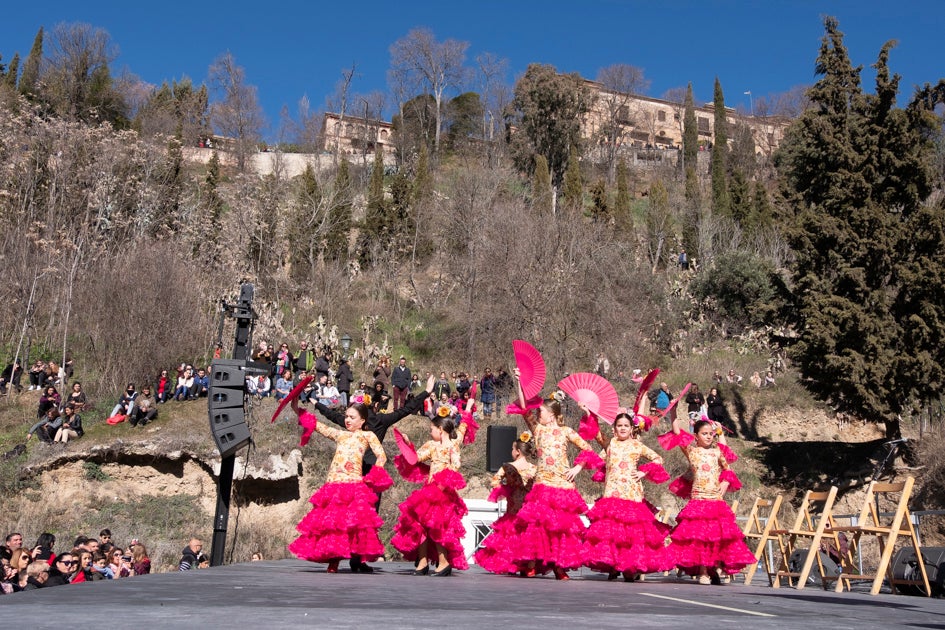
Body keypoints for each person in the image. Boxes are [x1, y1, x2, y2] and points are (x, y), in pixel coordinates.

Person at [314, 374, 436, 572]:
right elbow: (406, 409)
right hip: (372, 475)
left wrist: (317, 405)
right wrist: (427, 392)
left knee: (344, 517)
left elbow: (332, 417)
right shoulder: (381, 420)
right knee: (366, 519)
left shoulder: (350, 424)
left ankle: (336, 558)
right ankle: (358, 560)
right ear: (375, 405)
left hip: (350, 474)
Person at [507, 370, 604, 580]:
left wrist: (577, 468)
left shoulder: (566, 431)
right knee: (537, 525)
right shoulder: (538, 430)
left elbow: (588, 450)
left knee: (561, 527)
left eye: (541, 411)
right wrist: (520, 382)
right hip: (542, 484)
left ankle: (560, 566)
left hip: (561, 484)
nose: (539, 413)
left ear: (551, 414)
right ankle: (531, 563)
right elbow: (524, 409)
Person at [287, 397, 390, 574]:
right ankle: (333, 561)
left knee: (357, 524)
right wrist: (297, 409)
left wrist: (374, 474)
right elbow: (318, 426)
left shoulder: (368, 435)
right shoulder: (341, 434)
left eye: (352, 417)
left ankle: (358, 560)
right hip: (334, 484)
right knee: (334, 524)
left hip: (354, 484)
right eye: (346, 417)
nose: (347, 420)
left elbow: (381, 456)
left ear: (362, 420)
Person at [661, 412, 755, 585]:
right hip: (698, 499)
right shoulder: (691, 450)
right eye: (704, 433)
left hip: (715, 500)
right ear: (696, 436)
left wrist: (724, 485)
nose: (708, 436)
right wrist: (674, 412)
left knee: (717, 537)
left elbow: (728, 470)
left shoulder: (717, 451)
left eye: (711, 433)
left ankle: (715, 568)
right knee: (701, 538)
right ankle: (703, 571)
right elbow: (676, 432)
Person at [391, 399, 478, 577]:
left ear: (440, 429)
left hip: (443, 491)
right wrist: (408, 445)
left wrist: (468, 408)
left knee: (438, 526)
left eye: (431, 429)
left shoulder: (453, 444)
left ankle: (444, 561)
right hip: (429, 490)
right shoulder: (431, 446)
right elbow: (416, 458)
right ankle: (422, 561)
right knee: (419, 524)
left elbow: (456, 462)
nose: (430, 432)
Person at [584, 412, 672, 581]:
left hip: (632, 493)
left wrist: (643, 471)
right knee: (612, 531)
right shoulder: (610, 445)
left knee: (631, 533)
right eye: (619, 425)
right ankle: (613, 564)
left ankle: (629, 566)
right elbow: (595, 432)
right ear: (614, 429)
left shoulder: (637, 445)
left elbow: (658, 458)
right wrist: (589, 413)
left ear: (632, 429)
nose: (623, 428)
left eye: (626, 425)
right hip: (612, 493)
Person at [473, 431, 537, 575]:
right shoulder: (534, 469)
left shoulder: (508, 467)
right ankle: (529, 566)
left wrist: (506, 488)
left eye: (513, 449)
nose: (511, 451)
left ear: (518, 452)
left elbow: (494, 481)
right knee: (527, 535)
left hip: (513, 507)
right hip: (528, 509)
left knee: (510, 535)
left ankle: (512, 564)